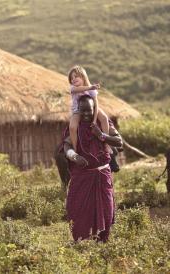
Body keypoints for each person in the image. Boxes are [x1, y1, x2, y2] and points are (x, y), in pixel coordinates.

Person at [63, 95, 123, 242]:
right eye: (82, 111)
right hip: (82, 176)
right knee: (77, 210)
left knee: (106, 210)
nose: (86, 114)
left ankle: (102, 242)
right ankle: (82, 242)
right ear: (78, 110)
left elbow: (119, 142)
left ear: (94, 109)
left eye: (89, 111)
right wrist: (74, 157)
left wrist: (101, 135)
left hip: (102, 175)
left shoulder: (103, 124)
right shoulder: (75, 127)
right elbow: (66, 146)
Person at [68, 65, 110, 152]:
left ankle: (107, 143)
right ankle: (76, 149)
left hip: (93, 109)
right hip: (77, 111)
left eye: (76, 76)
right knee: (72, 127)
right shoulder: (73, 88)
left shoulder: (91, 89)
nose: (73, 79)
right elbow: (79, 89)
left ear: (83, 77)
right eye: (71, 78)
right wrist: (91, 87)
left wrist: (94, 120)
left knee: (104, 118)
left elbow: (96, 103)